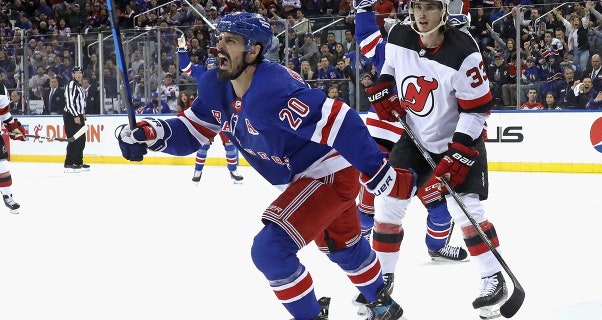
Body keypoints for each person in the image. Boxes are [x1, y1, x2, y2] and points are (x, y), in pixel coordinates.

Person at [117, 12, 411, 320]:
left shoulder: (273, 91)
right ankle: (383, 303)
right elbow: (191, 132)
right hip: (305, 176)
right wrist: (150, 133)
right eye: (220, 39)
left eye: (230, 41)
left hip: (329, 172)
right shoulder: (216, 86)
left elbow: (342, 121)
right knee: (343, 246)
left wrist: (377, 171)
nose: (219, 47)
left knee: (270, 251)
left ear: (254, 50)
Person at [354, 0, 511, 318]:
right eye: (417, 7)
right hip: (415, 138)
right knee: (388, 202)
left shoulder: (464, 51)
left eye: (430, 7)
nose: (421, 15)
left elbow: (477, 109)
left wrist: (460, 151)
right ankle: (380, 281)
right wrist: (385, 87)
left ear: (444, 11)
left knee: (465, 208)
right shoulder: (399, 33)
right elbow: (391, 67)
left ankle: (492, 278)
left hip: (458, 141)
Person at [176, 37, 244, 184]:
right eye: (210, 66)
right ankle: (197, 171)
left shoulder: (226, 72)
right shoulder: (201, 72)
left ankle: (233, 170)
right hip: (207, 114)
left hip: (225, 113)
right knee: (203, 144)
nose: (213, 69)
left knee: (230, 144)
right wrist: (182, 49)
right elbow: (186, 67)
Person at [0, 84, 26, 214]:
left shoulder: (1, 88)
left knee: (2, 166)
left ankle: (7, 196)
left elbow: (3, 112)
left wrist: (13, 127)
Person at [63, 66, 88, 173]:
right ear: (73, 74)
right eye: (76, 73)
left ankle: (78, 161)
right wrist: (75, 115)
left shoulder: (79, 85)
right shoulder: (71, 85)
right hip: (71, 115)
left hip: (78, 115)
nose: (78, 75)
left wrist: (82, 113)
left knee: (82, 139)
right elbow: (69, 102)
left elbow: (80, 102)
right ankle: (69, 162)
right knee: (74, 139)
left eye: (80, 73)